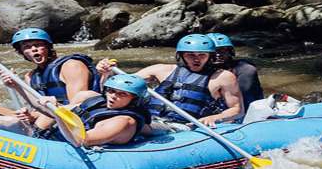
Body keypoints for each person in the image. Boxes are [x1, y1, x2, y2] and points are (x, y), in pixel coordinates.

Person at [0, 73, 151, 147]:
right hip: (43, 131)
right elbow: (43, 109)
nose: (112, 97)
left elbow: (80, 140)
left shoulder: (123, 122)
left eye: (121, 94)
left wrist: (56, 114)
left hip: (49, 144)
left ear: (135, 100)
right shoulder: (93, 98)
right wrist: (18, 88)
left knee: (3, 123)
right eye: (110, 90)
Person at [97, 34, 244, 132]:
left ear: (210, 56)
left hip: (180, 126)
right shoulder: (162, 70)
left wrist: (214, 118)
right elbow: (117, 88)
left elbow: (237, 110)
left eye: (202, 55)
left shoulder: (223, 77)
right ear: (181, 56)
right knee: (87, 96)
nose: (196, 59)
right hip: (150, 118)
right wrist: (106, 74)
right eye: (190, 55)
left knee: (128, 122)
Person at [0, 27, 101, 119]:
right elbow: (38, 110)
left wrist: (19, 87)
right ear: (21, 53)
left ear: (48, 47)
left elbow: (77, 107)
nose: (34, 50)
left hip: (73, 118)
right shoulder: (31, 76)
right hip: (47, 117)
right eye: (27, 47)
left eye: (38, 45)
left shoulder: (71, 65)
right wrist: (29, 115)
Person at [206, 33, 264, 112]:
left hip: (244, 111)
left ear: (230, 52)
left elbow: (244, 99)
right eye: (215, 50)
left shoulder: (245, 69)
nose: (218, 54)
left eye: (223, 49)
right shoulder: (197, 68)